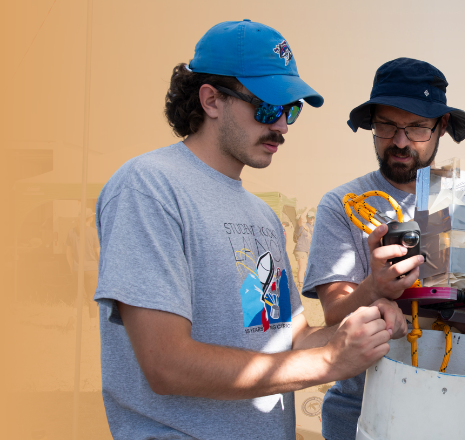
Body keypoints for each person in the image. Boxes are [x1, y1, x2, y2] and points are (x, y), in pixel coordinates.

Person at [93, 20, 406, 440]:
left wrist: (364, 329)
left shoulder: (261, 215)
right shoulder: (149, 186)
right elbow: (165, 363)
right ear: (211, 100)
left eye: (290, 109)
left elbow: (289, 339)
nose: (282, 125)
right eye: (266, 107)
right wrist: (331, 361)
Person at [302, 58, 465, 440]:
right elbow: (334, 312)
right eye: (386, 126)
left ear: (441, 127)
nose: (400, 141)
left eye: (416, 127)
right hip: (365, 412)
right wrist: (375, 287)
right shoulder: (344, 204)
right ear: (371, 124)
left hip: (464, 411)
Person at [65, 209, 100, 318]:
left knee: (78, 296)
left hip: (76, 269)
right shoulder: (93, 232)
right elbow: (98, 252)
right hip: (91, 269)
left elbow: (68, 253)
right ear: (90, 219)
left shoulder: (71, 232)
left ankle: (73, 318)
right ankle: (92, 325)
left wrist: (72, 266)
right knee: (91, 298)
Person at [294, 208, 315, 290]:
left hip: (307, 250)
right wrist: (308, 208)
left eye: (313, 217)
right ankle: (300, 285)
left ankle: (305, 284)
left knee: (306, 267)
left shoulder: (311, 227)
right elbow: (302, 218)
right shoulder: (301, 225)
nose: (312, 219)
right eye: (310, 217)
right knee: (302, 267)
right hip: (301, 249)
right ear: (307, 217)